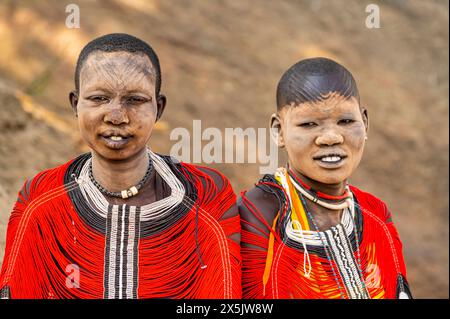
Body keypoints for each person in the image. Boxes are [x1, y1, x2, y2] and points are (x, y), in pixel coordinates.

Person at [0, 33, 241, 299]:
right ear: (75, 105)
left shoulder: (204, 200)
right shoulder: (41, 202)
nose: (116, 116)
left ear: (158, 108)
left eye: (135, 100)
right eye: (98, 98)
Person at [238, 57, 412, 299]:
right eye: (309, 124)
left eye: (346, 121)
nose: (331, 137)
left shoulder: (375, 214)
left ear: (365, 122)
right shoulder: (258, 216)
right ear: (279, 132)